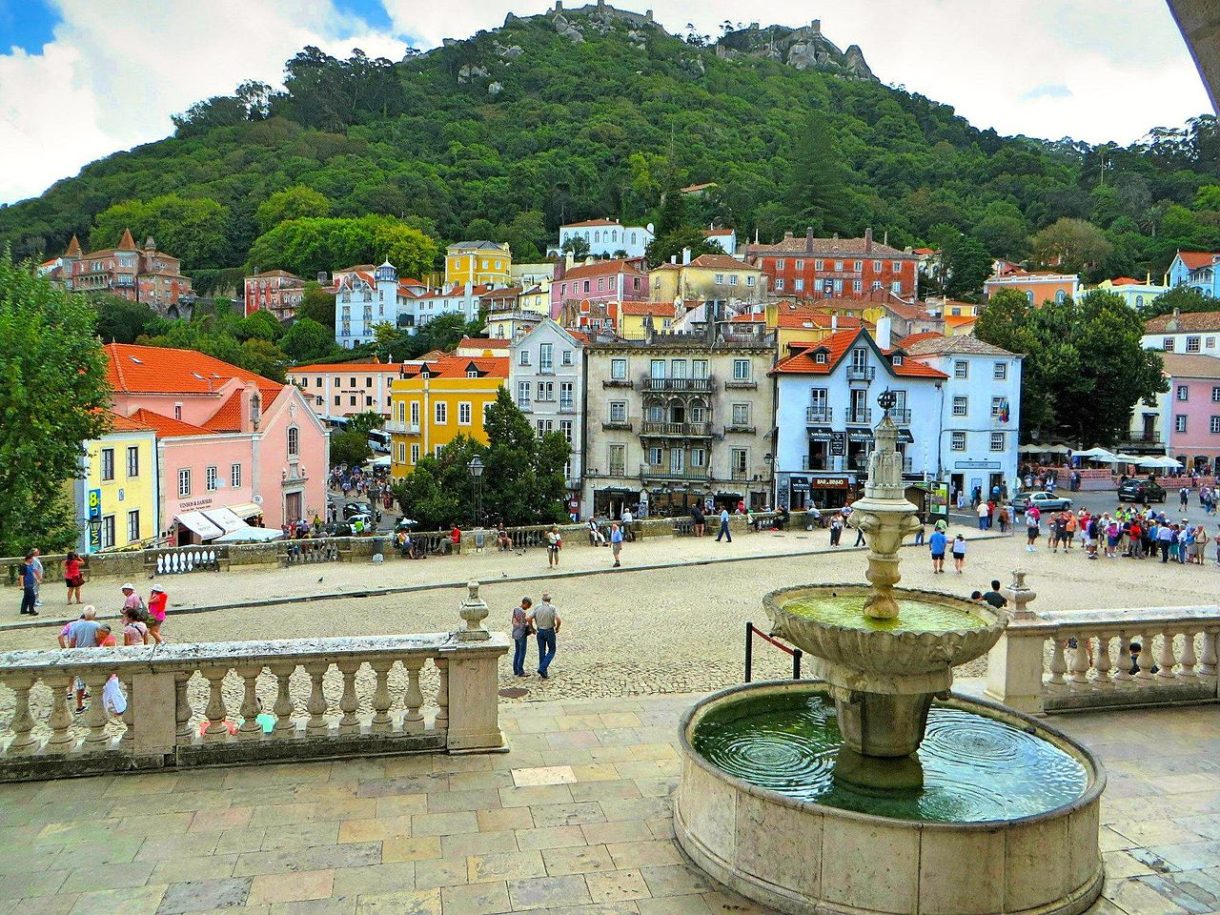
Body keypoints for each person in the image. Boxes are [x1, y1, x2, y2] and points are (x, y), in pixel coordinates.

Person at [528, 592, 561, 679]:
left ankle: (543, 671)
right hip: (549, 631)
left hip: (540, 631)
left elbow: (529, 618)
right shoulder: (552, 608)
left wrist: (532, 628)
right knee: (552, 650)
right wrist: (557, 628)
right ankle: (542, 668)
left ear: (542, 600)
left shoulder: (537, 607)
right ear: (550, 600)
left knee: (541, 651)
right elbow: (558, 619)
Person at [510, 597, 532, 677]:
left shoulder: (515, 609)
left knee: (517, 652)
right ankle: (520, 671)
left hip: (515, 633)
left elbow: (513, 621)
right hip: (521, 634)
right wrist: (529, 627)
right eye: (528, 606)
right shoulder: (523, 612)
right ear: (525, 603)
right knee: (522, 652)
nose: (528, 608)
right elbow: (523, 625)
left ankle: (515, 670)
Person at [18, 551, 38, 616]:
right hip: (26, 584)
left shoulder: (31, 565)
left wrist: (37, 579)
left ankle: (23, 610)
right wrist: (22, 585)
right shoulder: (23, 566)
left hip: (30, 583)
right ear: (28, 559)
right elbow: (21, 576)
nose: (32, 560)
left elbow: (32, 573)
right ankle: (31, 610)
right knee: (32, 597)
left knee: (26, 597)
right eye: (32, 559)